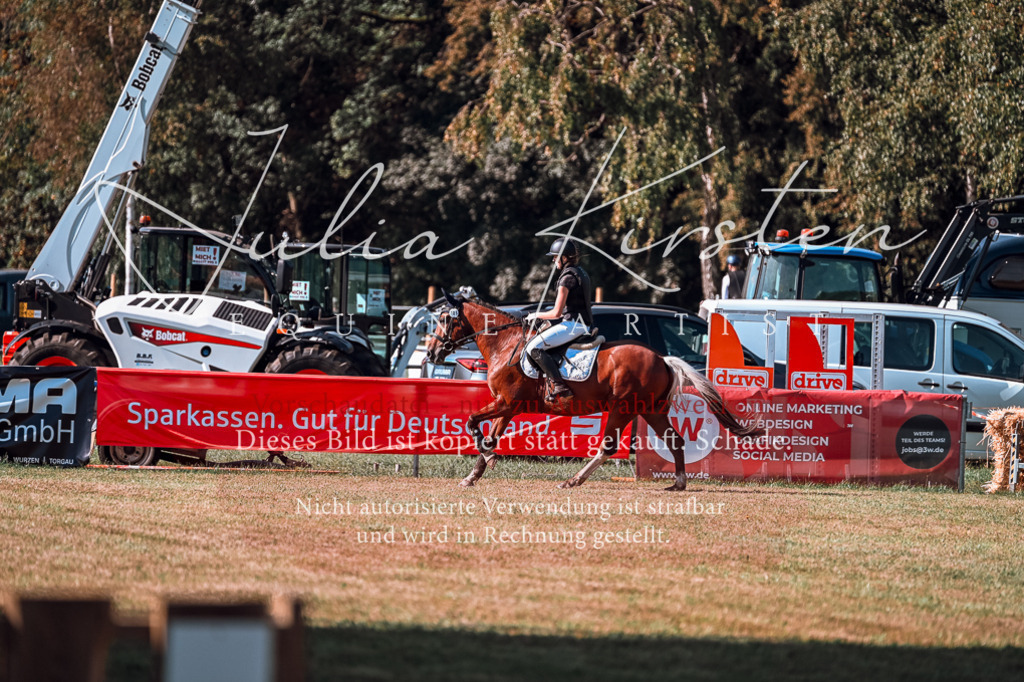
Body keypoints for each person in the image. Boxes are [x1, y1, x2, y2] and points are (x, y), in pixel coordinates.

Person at [524, 238, 593, 402]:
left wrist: (535, 315)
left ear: (564, 257)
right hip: (582, 323)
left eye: (555, 257)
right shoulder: (580, 272)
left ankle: (559, 385)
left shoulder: (566, 279)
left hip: (573, 325)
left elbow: (556, 313)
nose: (553, 260)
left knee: (533, 347)